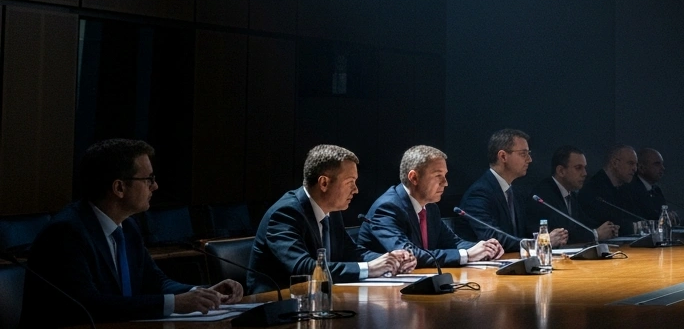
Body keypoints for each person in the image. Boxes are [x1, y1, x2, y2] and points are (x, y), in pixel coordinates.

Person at [19, 140, 243, 327]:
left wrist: (201, 293)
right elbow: (89, 305)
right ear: (119, 188)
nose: (154, 187)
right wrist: (175, 303)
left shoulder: (128, 226)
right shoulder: (66, 233)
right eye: (149, 179)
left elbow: (155, 281)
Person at [247, 145, 414, 294]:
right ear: (324, 183)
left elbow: (352, 253)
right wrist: (369, 269)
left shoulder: (332, 211)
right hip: (274, 305)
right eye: (350, 182)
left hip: (317, 298)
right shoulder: (286, 213)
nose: (355, 190)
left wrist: (391, 260)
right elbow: (302, 268)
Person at [358, 145, 503, 267]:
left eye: (445, 175)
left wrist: (484, 248)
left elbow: (453, 242)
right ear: (414, 177)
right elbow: (408, 254)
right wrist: (466, 255)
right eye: (438, 175)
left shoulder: (430, 207)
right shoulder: (387, 208)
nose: (445, 183)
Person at [456, 129, 566, 249]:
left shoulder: (515, 193)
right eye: (523, 154)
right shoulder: (479, 194)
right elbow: (493, 238)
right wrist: (542, 242)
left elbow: (523, 233)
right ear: (503, 156)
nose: (529, 159)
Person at [530, 146, 619, 243]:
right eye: (578, 168)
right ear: (561, 171)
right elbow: (563, 233)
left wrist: (608, 229)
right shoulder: (543, 195)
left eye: (584, 168)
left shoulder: (571, 195)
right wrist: (595, 234)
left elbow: (583, 224)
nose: (584, 173)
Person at [579, 145, 640, 225]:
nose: (635, 169)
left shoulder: (627, 189)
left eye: (636, 164)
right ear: (615, 163)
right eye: (630, 163)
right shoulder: (593, 188)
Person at [627, 148, 669, 220]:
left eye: (662, 164)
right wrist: (662, 219)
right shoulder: (630, 189)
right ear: (641, 168)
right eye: (657, 164)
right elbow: (640, 218)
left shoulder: (656, 190)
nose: (663, 168)